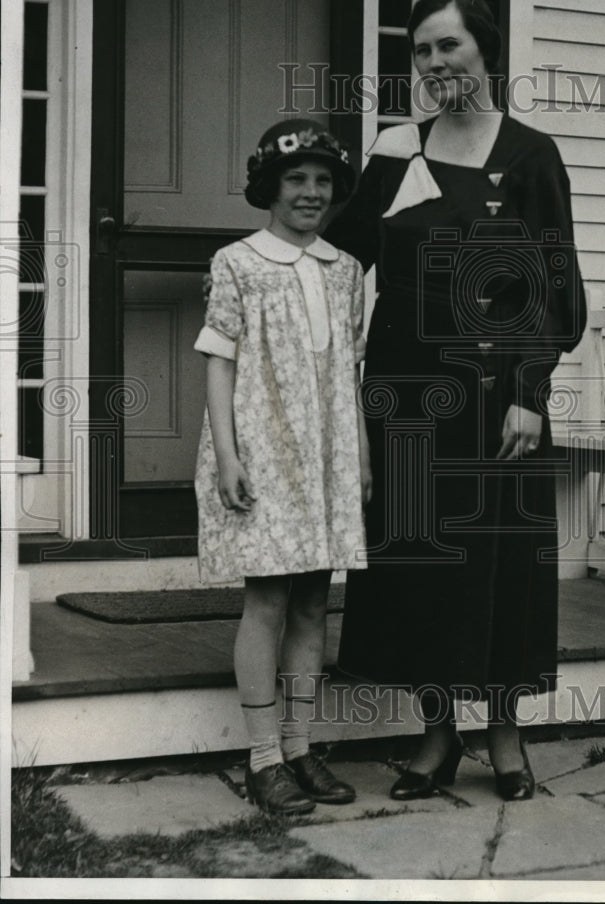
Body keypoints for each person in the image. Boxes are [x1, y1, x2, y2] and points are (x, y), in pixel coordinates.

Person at [323, 0, 587, 801]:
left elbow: (554, 291)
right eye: (422, 50)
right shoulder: (397, 148)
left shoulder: (531, 153)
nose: (436, 63)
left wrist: (528, 391)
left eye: (450, 46)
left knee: (501, 563)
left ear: (485, 51)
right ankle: (437, 737)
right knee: (416, 565)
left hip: (495, 398)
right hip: (402, 394)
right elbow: (340, 257)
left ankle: (504, 738)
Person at [194, 119, 371, 815]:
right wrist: (229, 455)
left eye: (322, 181)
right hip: (262, 451)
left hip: (324, 456)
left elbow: (347, 376)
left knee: (310, 601)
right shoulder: (237, 262)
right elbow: (218, 362)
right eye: (296, 179)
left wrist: (357, 453)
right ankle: (263, 757)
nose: (309, 192)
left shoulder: (345, 270)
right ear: (270, 186)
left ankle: (300, 748)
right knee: (267, 598)